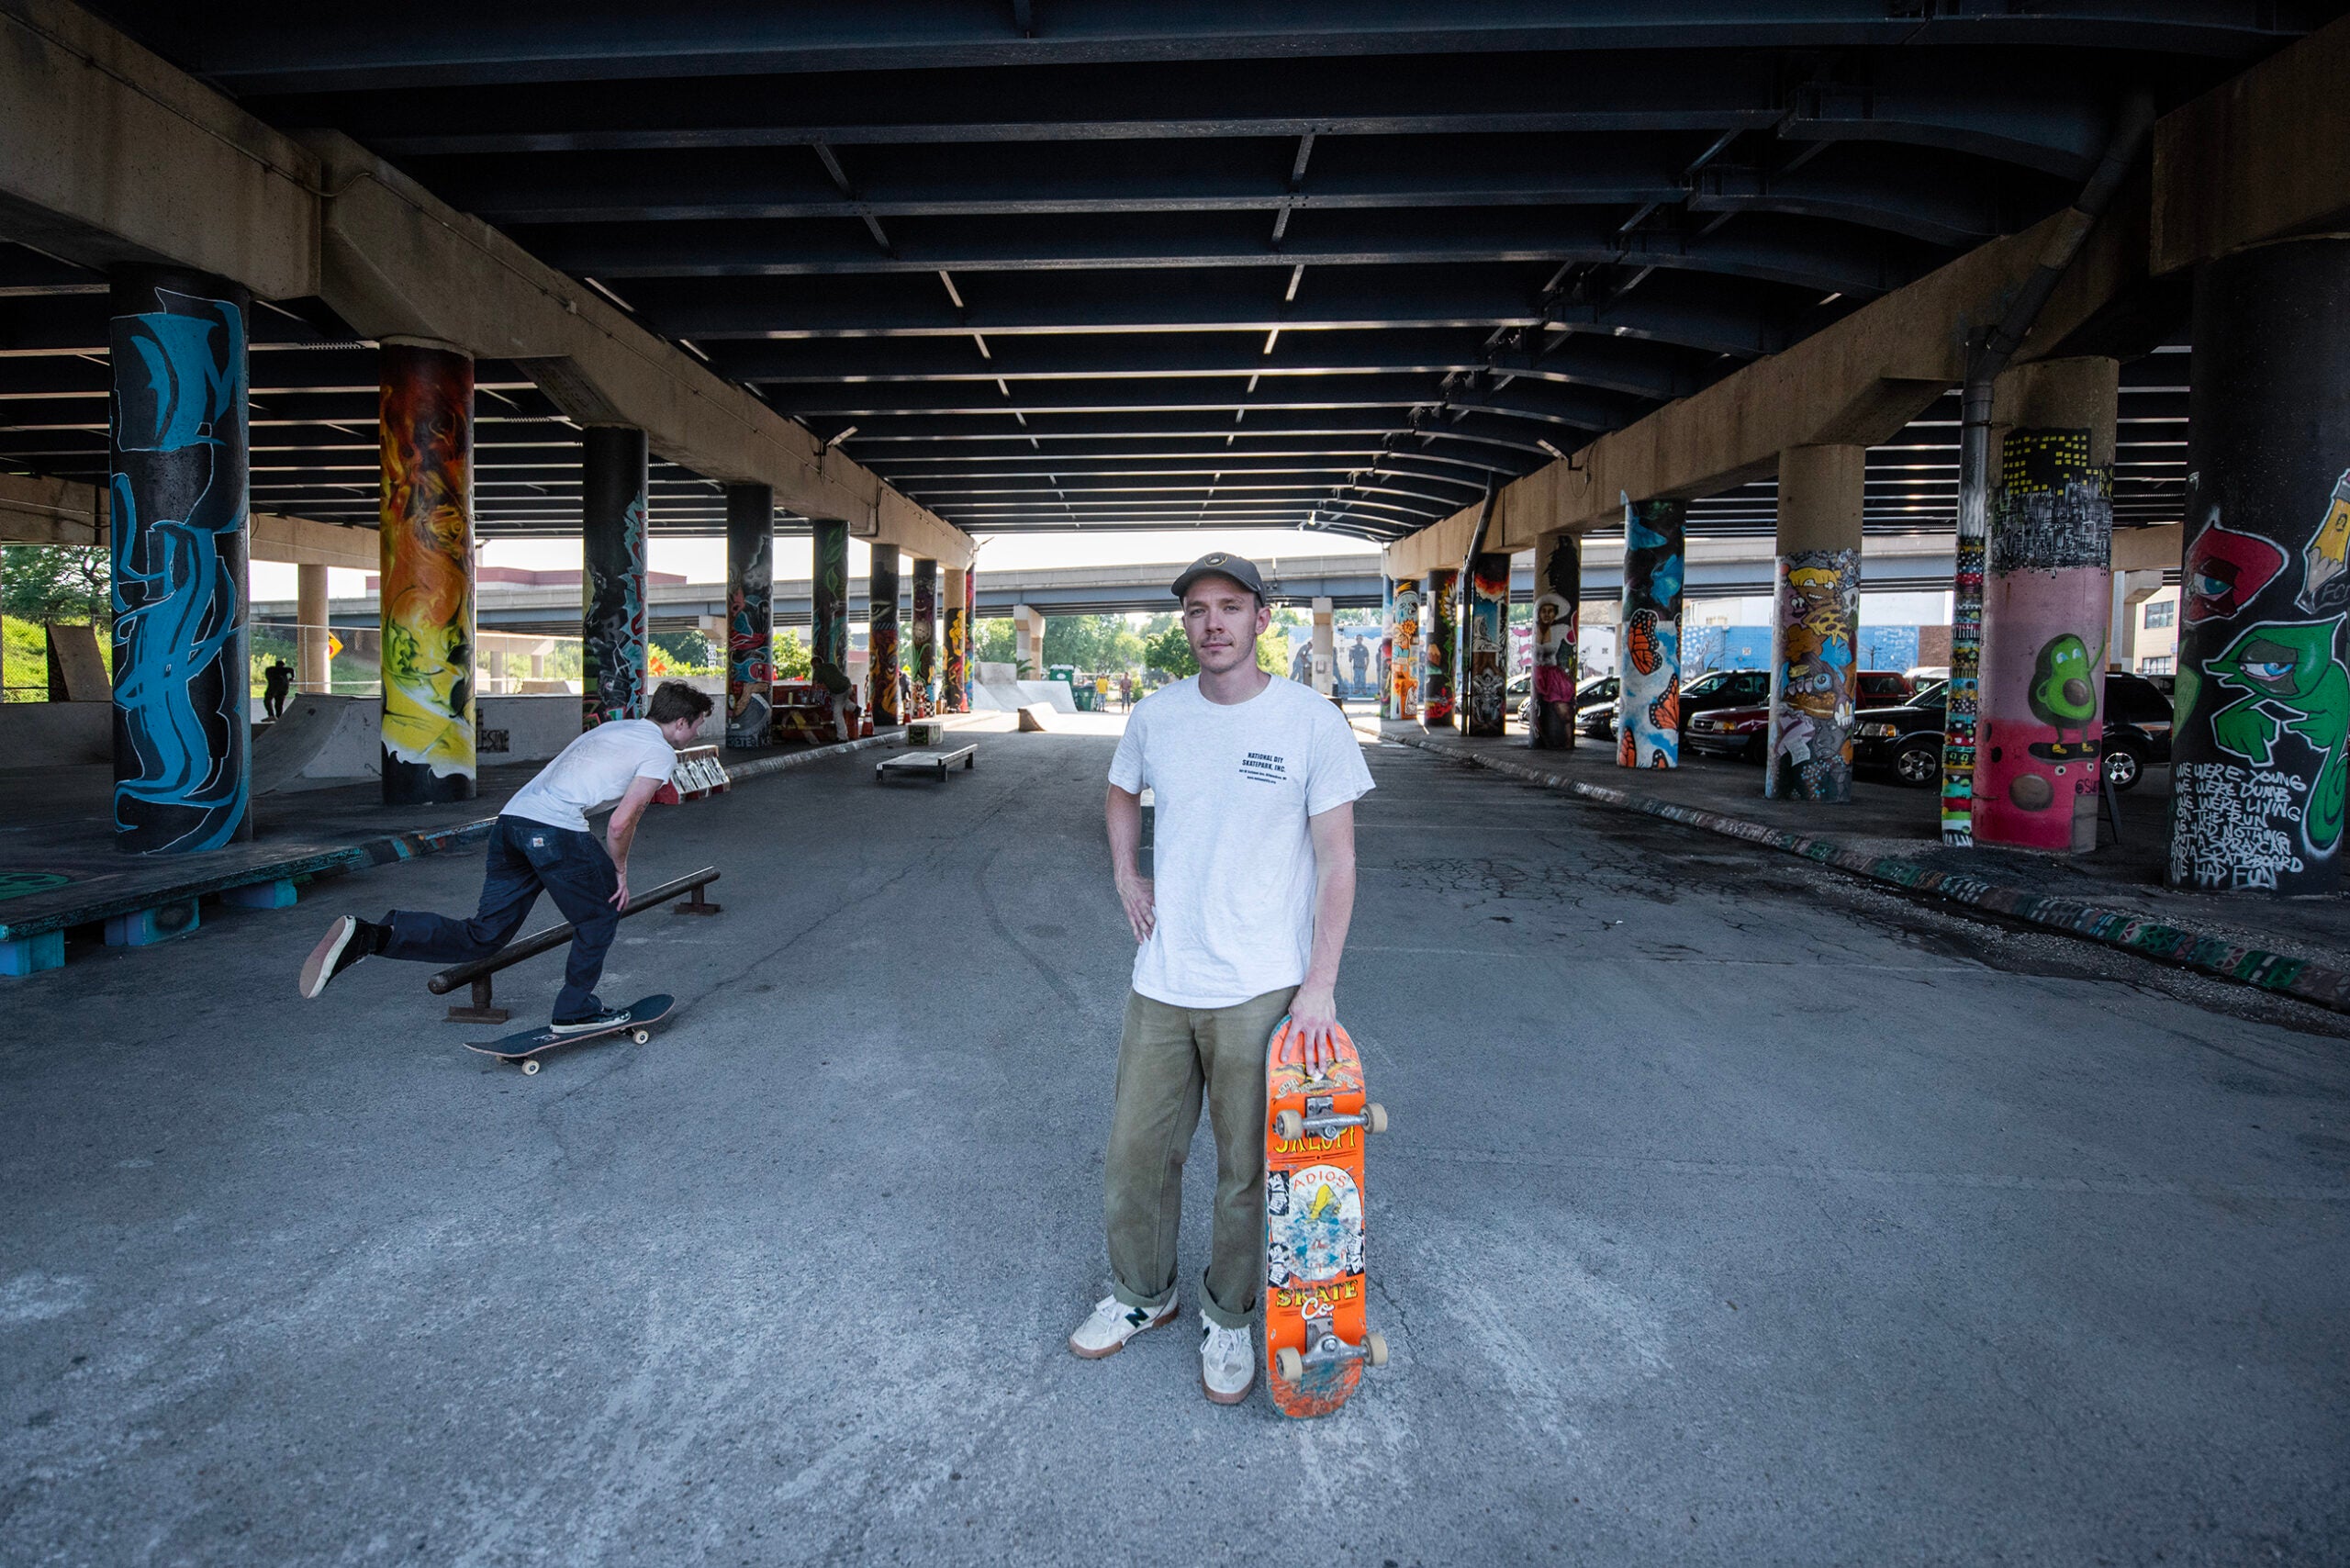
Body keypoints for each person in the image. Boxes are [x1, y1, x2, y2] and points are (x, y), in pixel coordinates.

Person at [1069, 552, 1374, 1405]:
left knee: (1248, 1169)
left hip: (1264, 987)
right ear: (1186, 624)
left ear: (1260, 620)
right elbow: (1120, 789)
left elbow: (1338, 862)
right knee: (1138, 1153)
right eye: (1198, 610)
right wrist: (1127, 874)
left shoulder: (1311, 722)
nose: (1213, 623)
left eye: (1230, 607)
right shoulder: (1156, 715)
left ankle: (1231, 1316)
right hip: (1163, 978)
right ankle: (1141, 1296)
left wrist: (1321, 984)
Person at [297, 680, 715, 1030]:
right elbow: (622, 823)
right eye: (696, 725)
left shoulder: (612, 730)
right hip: (555, 830)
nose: (695, 734)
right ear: (680, 722)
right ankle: (574, 1011)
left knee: (485, 935)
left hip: (511, 824)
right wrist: (619, 871)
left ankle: (371, 936)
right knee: (600, 914)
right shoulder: (660, 751)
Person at [263, 657, 294, 721]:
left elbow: (291, 670)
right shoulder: (284, 670)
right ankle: (278, 717)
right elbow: (291, 670)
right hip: (284, 688)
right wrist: (293, 677)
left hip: (274, 687)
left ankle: (271, 715)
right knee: (279, 703)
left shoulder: (271, 669)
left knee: (268, 700)